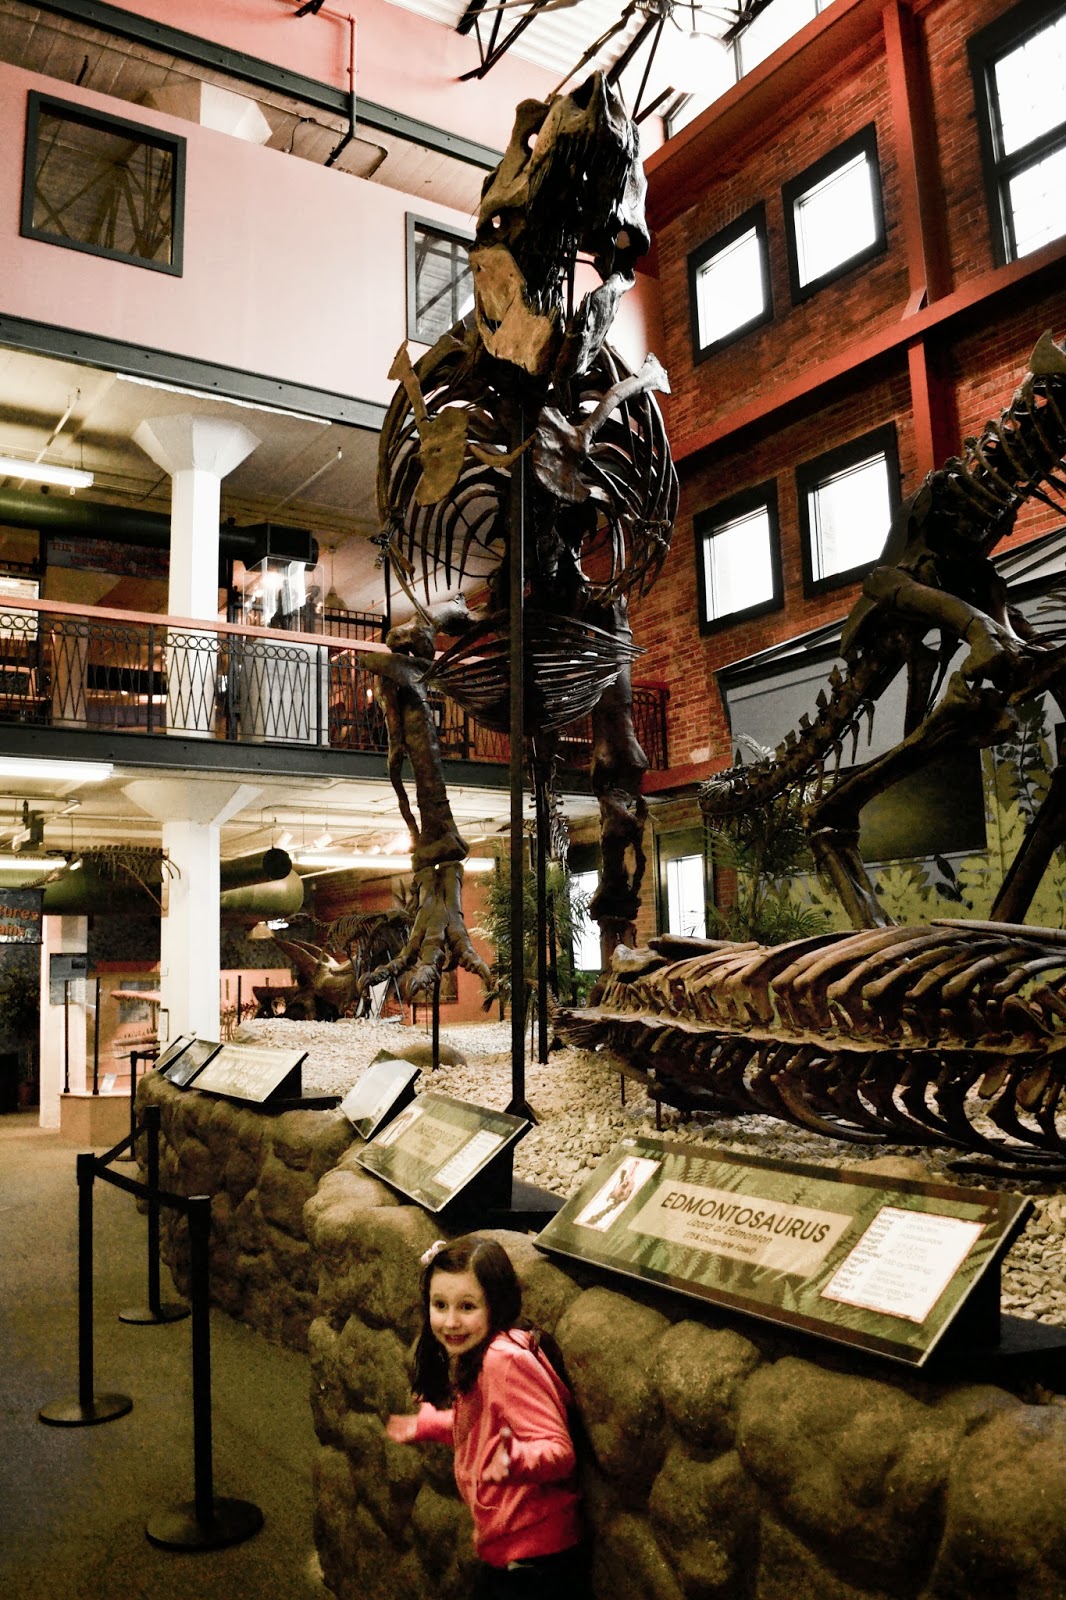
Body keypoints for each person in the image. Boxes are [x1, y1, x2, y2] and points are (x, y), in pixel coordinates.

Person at [386, 1235, 588, 1599]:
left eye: (467, 1306)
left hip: (536, 1555)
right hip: (514, 1543)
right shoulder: (479, 1351)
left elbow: (559, 1451)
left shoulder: (502, 1360)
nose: (450, 1321)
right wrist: (432, 1424)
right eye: (439, 1305)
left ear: (496, 1303)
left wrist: (515, 1459)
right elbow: (484, 1427)